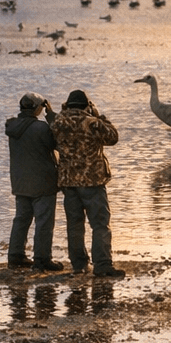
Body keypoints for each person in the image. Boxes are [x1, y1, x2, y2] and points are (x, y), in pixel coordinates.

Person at [51, 89, 124, 277]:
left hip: (68, 182)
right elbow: (113, 137)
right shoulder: (92, 123)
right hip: (92, 181)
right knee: (100, 224)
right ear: (87, 106)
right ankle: (102, 264)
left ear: (67, 105)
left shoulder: (57, 123)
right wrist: (101, 117)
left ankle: (78, 265)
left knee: (74, 225)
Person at [5, 91, 64, 271]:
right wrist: (51, 115)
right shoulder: (42, 128)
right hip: (42, 182)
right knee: (44, 222)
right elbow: (60, 142)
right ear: (38, 108)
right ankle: (42, 259)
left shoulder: (12, 126)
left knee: (21, 219)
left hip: (20, 181)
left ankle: (16, 256)